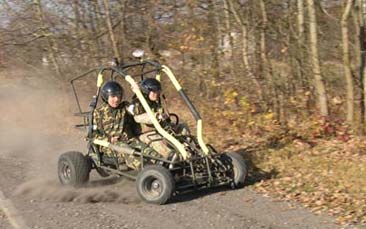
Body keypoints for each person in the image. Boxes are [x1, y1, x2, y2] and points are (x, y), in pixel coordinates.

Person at [127, 78, 189, 159]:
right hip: (145, 134)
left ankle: (188, 148)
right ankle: (172, 158)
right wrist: (156, 116)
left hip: (160, 130)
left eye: (158, 91)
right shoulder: (137, 103)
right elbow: (137, 118)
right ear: (147, 91)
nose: (156, 94)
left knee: (182, 126)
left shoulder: (155, 103)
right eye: (154, 91)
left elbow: (164, 119)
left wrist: (169, 124)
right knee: (155, 138)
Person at [92, 81, 140, 169]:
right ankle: (148, 171)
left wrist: (137, 93)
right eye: (113, 96)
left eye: (118, 96)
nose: (117, 99)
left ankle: (161, 167)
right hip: (110, 145)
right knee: (129, 152)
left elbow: (136, 110)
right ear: (106, 97)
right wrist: (110, 139)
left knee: (147, 150)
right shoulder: (98, 113)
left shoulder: (124, 106)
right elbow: (92, 135)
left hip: (130, 140)